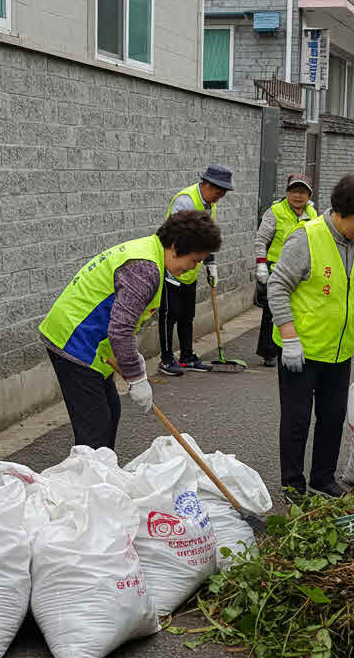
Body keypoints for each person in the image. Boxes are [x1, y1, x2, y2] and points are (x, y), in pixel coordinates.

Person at [41, 210, 222, 448]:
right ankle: (89, 470)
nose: (192, 268)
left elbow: (121, 323)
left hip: (91, 340)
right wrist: (137, 377)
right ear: (176, 246)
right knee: (95, 427)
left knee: (110, 412)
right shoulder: (145, 269)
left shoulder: (150, 252)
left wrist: (132, 360)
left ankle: (103, 466)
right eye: (194, 260)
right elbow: (120, 330)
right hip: (74, 340)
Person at [269, 174, 354, 502]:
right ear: (340, 211)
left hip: (340, 351)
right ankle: (293, 486)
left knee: (333, 418)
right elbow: (277, 286)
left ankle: (322, 478)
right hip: (302, 350)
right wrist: (289, 337)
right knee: (297, 421)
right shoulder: (306, 238)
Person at [159, 165, 233, 376]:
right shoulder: (186, 201)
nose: (221, 196)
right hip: (173, 267)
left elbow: (206, 238)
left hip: (190, 271)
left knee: (187, 314)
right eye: (219, 191)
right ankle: (166, 359)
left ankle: (187, 356)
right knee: (169, 314)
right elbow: (175, 237)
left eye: (224, 192)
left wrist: (210, 265)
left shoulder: (210, 204)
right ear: (207, 184)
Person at [253, 174, 319, 366]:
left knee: (299, 309)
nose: (298, 196)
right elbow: (261, 240)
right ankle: (269, 352)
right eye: (294, 191)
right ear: (287, 193)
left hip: (302, 271)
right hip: (277, 269)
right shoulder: (275, 212)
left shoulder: (312, 214)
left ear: (309, 195)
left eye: (302, 192)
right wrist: (261, 264)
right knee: (272, 311)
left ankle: (293, 344)